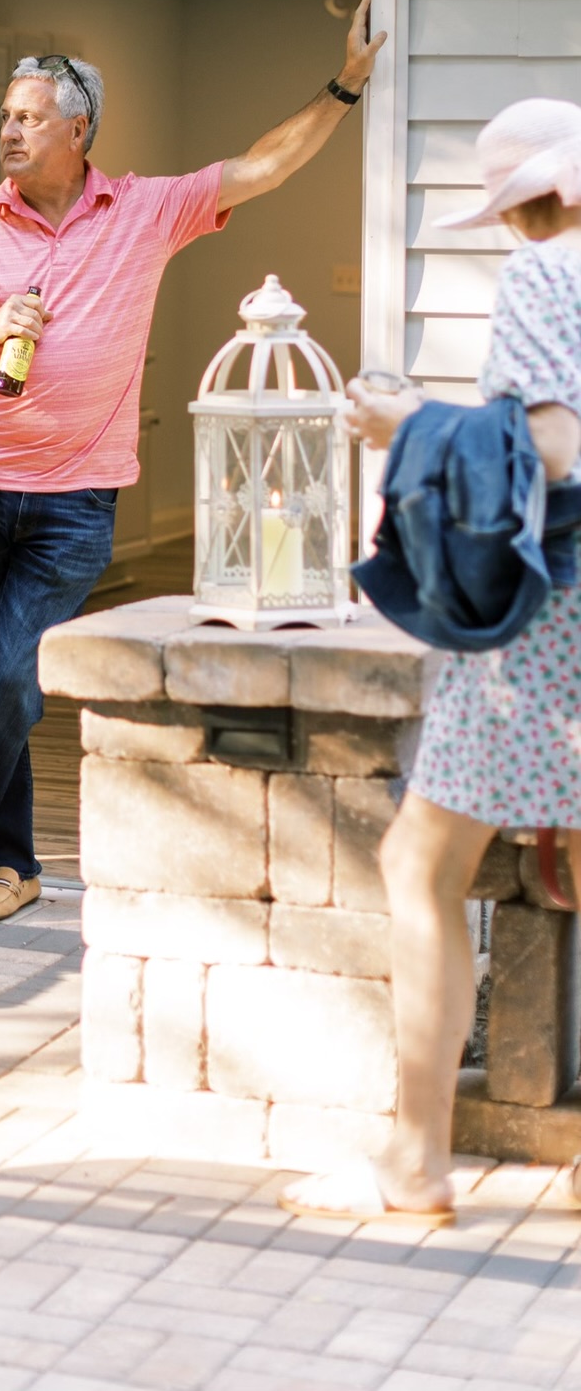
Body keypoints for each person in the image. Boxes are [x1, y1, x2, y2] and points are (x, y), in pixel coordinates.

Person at [0, 0, 387, 924]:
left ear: (79, 129)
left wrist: (345, 83)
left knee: (14, 677)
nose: (9, 132)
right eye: (5, 119)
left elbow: (262, 166)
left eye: (27, 118)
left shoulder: (144, 210)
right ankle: (13, 869)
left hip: (74, 499)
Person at [281, 97, 581, 1224]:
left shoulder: (549, 276)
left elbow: (552, 449)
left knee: (420, 869)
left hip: (547, 626)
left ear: (526, 203)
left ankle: (414, 1161)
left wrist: (403, 426)